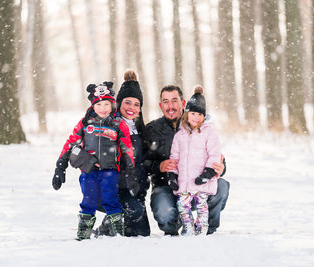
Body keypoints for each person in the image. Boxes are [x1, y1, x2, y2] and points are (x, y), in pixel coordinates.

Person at [52, 81, 138, 240]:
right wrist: (60, 167)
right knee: (88, 201)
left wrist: (131, 172)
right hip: (89, 172)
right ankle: (83, 232)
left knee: (111, 200)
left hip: (110, 172)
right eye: (99, 104)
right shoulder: (85, 123)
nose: (103, 108)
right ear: (93, 105)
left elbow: (127, 148)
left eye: (107, 104)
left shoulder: (118, 123)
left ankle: (117, 232)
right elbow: (71, 143)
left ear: (112, 105)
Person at [145, 84, 230, 236]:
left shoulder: (201, 126)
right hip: (168, 185)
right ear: (160, 105)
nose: (170, 106)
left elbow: (215, 154)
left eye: (174, 100)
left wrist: (220, 167)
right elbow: (143, 162)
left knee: (222, 186)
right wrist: (159, 166)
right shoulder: (151, 130)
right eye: (166, 101)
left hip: (199, 183)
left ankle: (206, 227)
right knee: (166, 216)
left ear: (183, 103)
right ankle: (177, 222)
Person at [94, 70, 151, 237]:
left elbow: (143, 162)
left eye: (136, 104)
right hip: (109, 187)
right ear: (118, 103)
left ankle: (118, 221)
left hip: (130, 189)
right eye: (127, 102)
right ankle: (105, 228)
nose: (131, 108)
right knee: (133, 210)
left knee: (141, 233)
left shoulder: (140, 130)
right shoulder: (107, 125)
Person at [167, 85, 221, 236]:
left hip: (202, 180)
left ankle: (202, 227)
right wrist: (172, 175)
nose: (196, 117)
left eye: (199, 114)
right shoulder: (179, 135)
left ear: (204, 116)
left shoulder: (209, 133)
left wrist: (208, 173)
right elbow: (174, 157)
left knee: (202, 205)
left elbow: (215, 154)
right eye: (193, 113)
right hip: (184, 181)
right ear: (187, 114)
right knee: (182, 205)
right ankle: (188, 227)